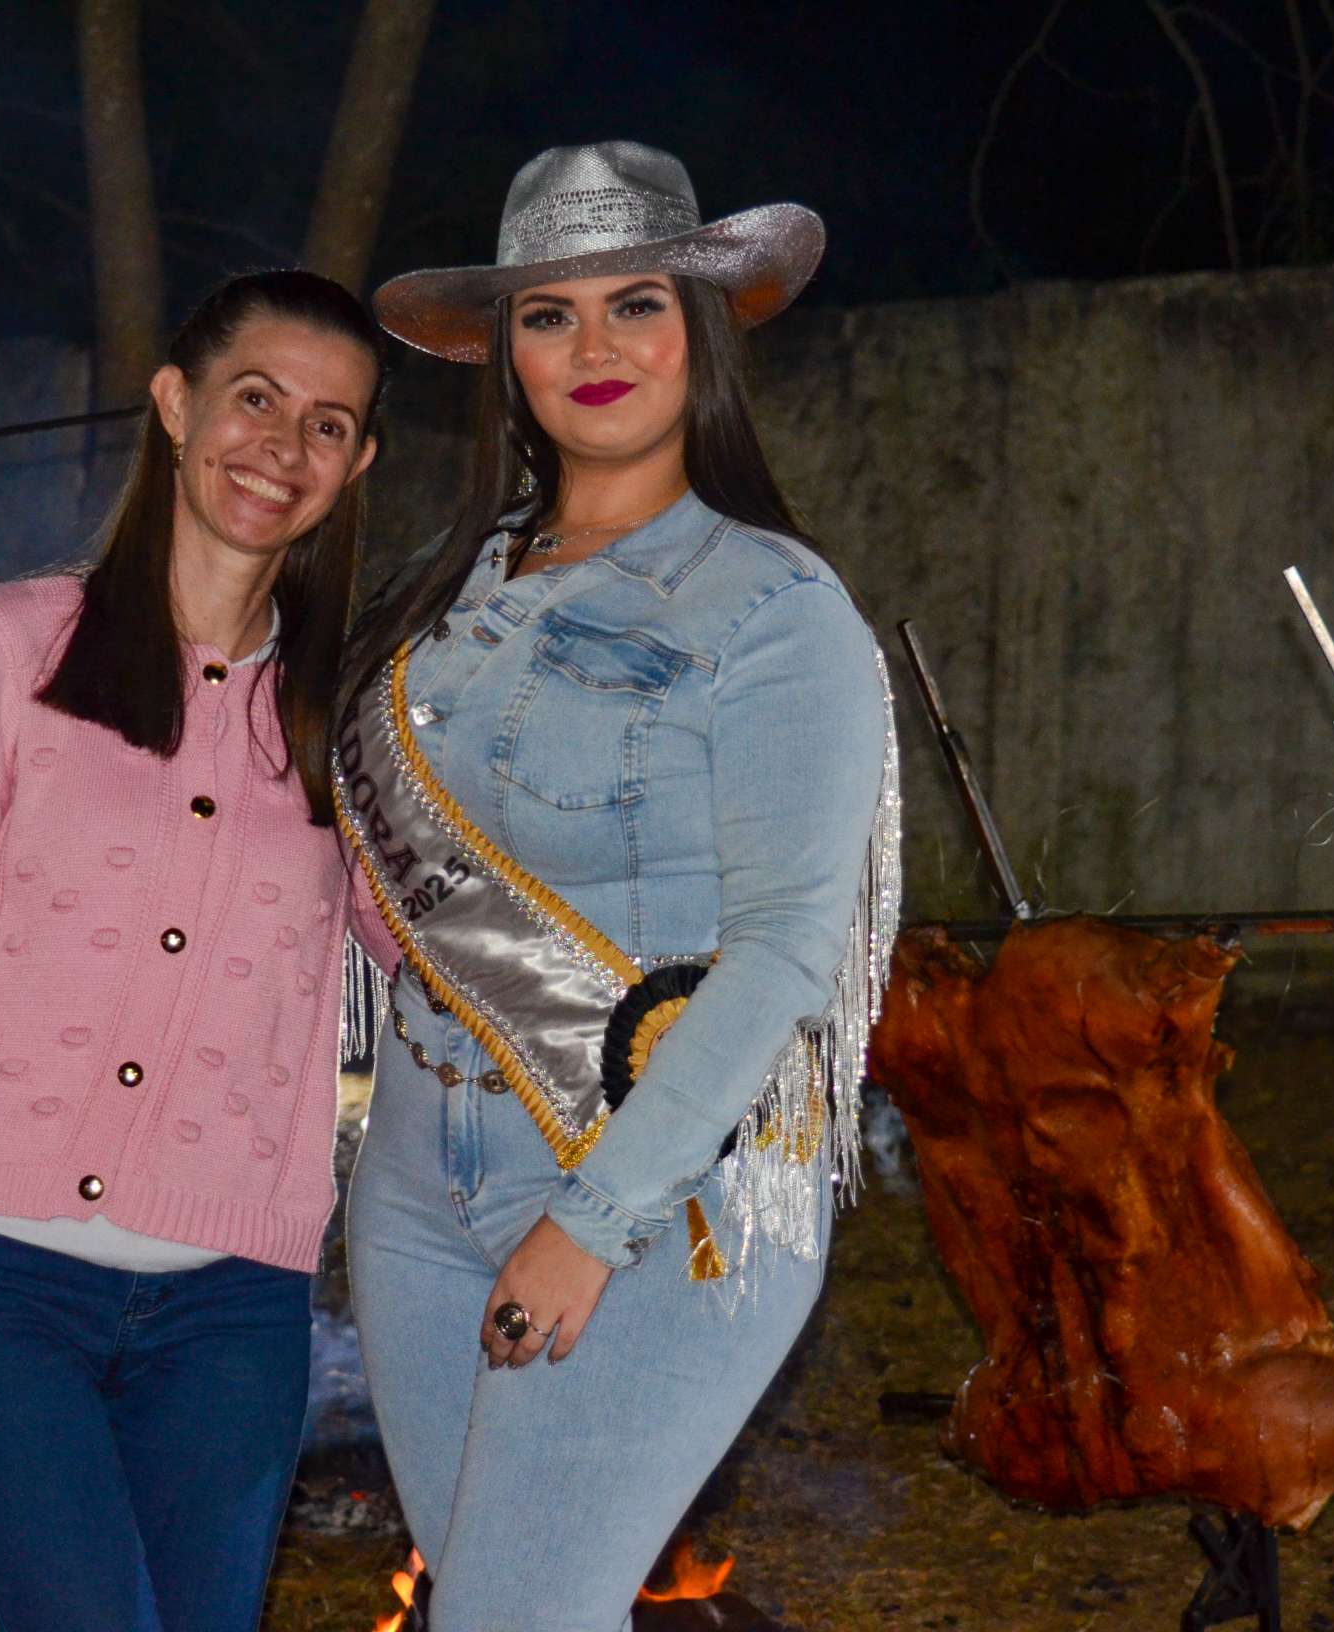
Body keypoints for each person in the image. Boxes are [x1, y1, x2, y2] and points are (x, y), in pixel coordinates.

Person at [337, 143, 901, 1630]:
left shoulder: (777, 607)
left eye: (635, 303)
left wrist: (589, 1221)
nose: (594, 347)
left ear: (699, 329)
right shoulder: (454, 584)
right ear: (506, 354)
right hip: (413, 1183)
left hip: (660, 1192)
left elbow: (786, 953)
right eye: (548, 314)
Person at [0, 268, 399, 1632]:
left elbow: (437, 952)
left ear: (358, 464)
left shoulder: (356, 719)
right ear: (177, 404)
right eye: (255, 399)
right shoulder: (9, 649)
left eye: (327, 425)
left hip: (234, 1317)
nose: (283, 446)